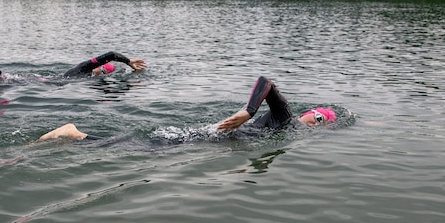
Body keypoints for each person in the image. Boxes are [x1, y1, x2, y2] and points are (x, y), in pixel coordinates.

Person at [38, 76, 336, 142]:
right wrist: (249, 111)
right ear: (310, 112)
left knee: (144, 145)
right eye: (317, 116)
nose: (314, 121)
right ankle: (74, 134)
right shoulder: (287, 117)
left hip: (212, 139)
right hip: (210, 137)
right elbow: (267, 82)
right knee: (141, 146)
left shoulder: (291, 129)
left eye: (320, 122)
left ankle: (78, 135)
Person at [63, 51, 147, 78]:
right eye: (102, 70)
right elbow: (111, 55)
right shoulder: (83, 68)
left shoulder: (90, 79)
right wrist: (128, 62)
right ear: (98, 65)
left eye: (104, 73)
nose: (100, 73)